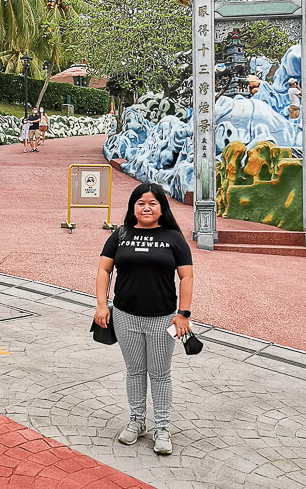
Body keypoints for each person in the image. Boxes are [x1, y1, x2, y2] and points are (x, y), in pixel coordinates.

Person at [94, 182, 193, 457]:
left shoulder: (173, 237)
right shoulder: (121, 234)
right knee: (135, 370)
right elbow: (104, 269)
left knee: (160, 374)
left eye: (152, 203)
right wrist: (102, 305)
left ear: (162, 208)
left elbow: (187, 277)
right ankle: (137, 421)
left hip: (163, 319)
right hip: (125, 315)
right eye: (140, 203)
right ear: (133, 207)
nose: (146, 207)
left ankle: (162, 428)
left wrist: (183, 314)